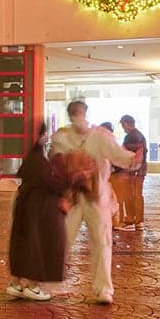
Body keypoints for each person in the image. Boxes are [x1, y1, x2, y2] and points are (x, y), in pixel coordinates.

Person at [49, 100, 140, 305]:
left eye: (79, 112)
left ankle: (103, 288)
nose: (77, 116)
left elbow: (118, 155)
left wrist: (131, 159)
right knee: (66, 240)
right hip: (75, 197)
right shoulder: (64, 137)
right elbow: (56, 162)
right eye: (75, 113)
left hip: (93, 196)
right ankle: (55, 283)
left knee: (100, 241)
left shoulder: (97, 136)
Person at [6, 121, 68, 301]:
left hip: (26, 205)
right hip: (37, 208)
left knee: (23, 243)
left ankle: (16, 282)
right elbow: (50, 182)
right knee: (36, 244)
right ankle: (33, 286)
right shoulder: (38, 159)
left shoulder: (32, 156)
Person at [112, 115, 147, 231]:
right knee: (137, 195)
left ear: (126, 124)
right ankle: (139, 221)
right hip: (140, 170)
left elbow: (125, 154)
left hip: (132, 171)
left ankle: (131, 219)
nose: (123, 128)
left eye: (123, 125)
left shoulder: (130, 137)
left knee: (130, 195)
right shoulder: (140, 135)